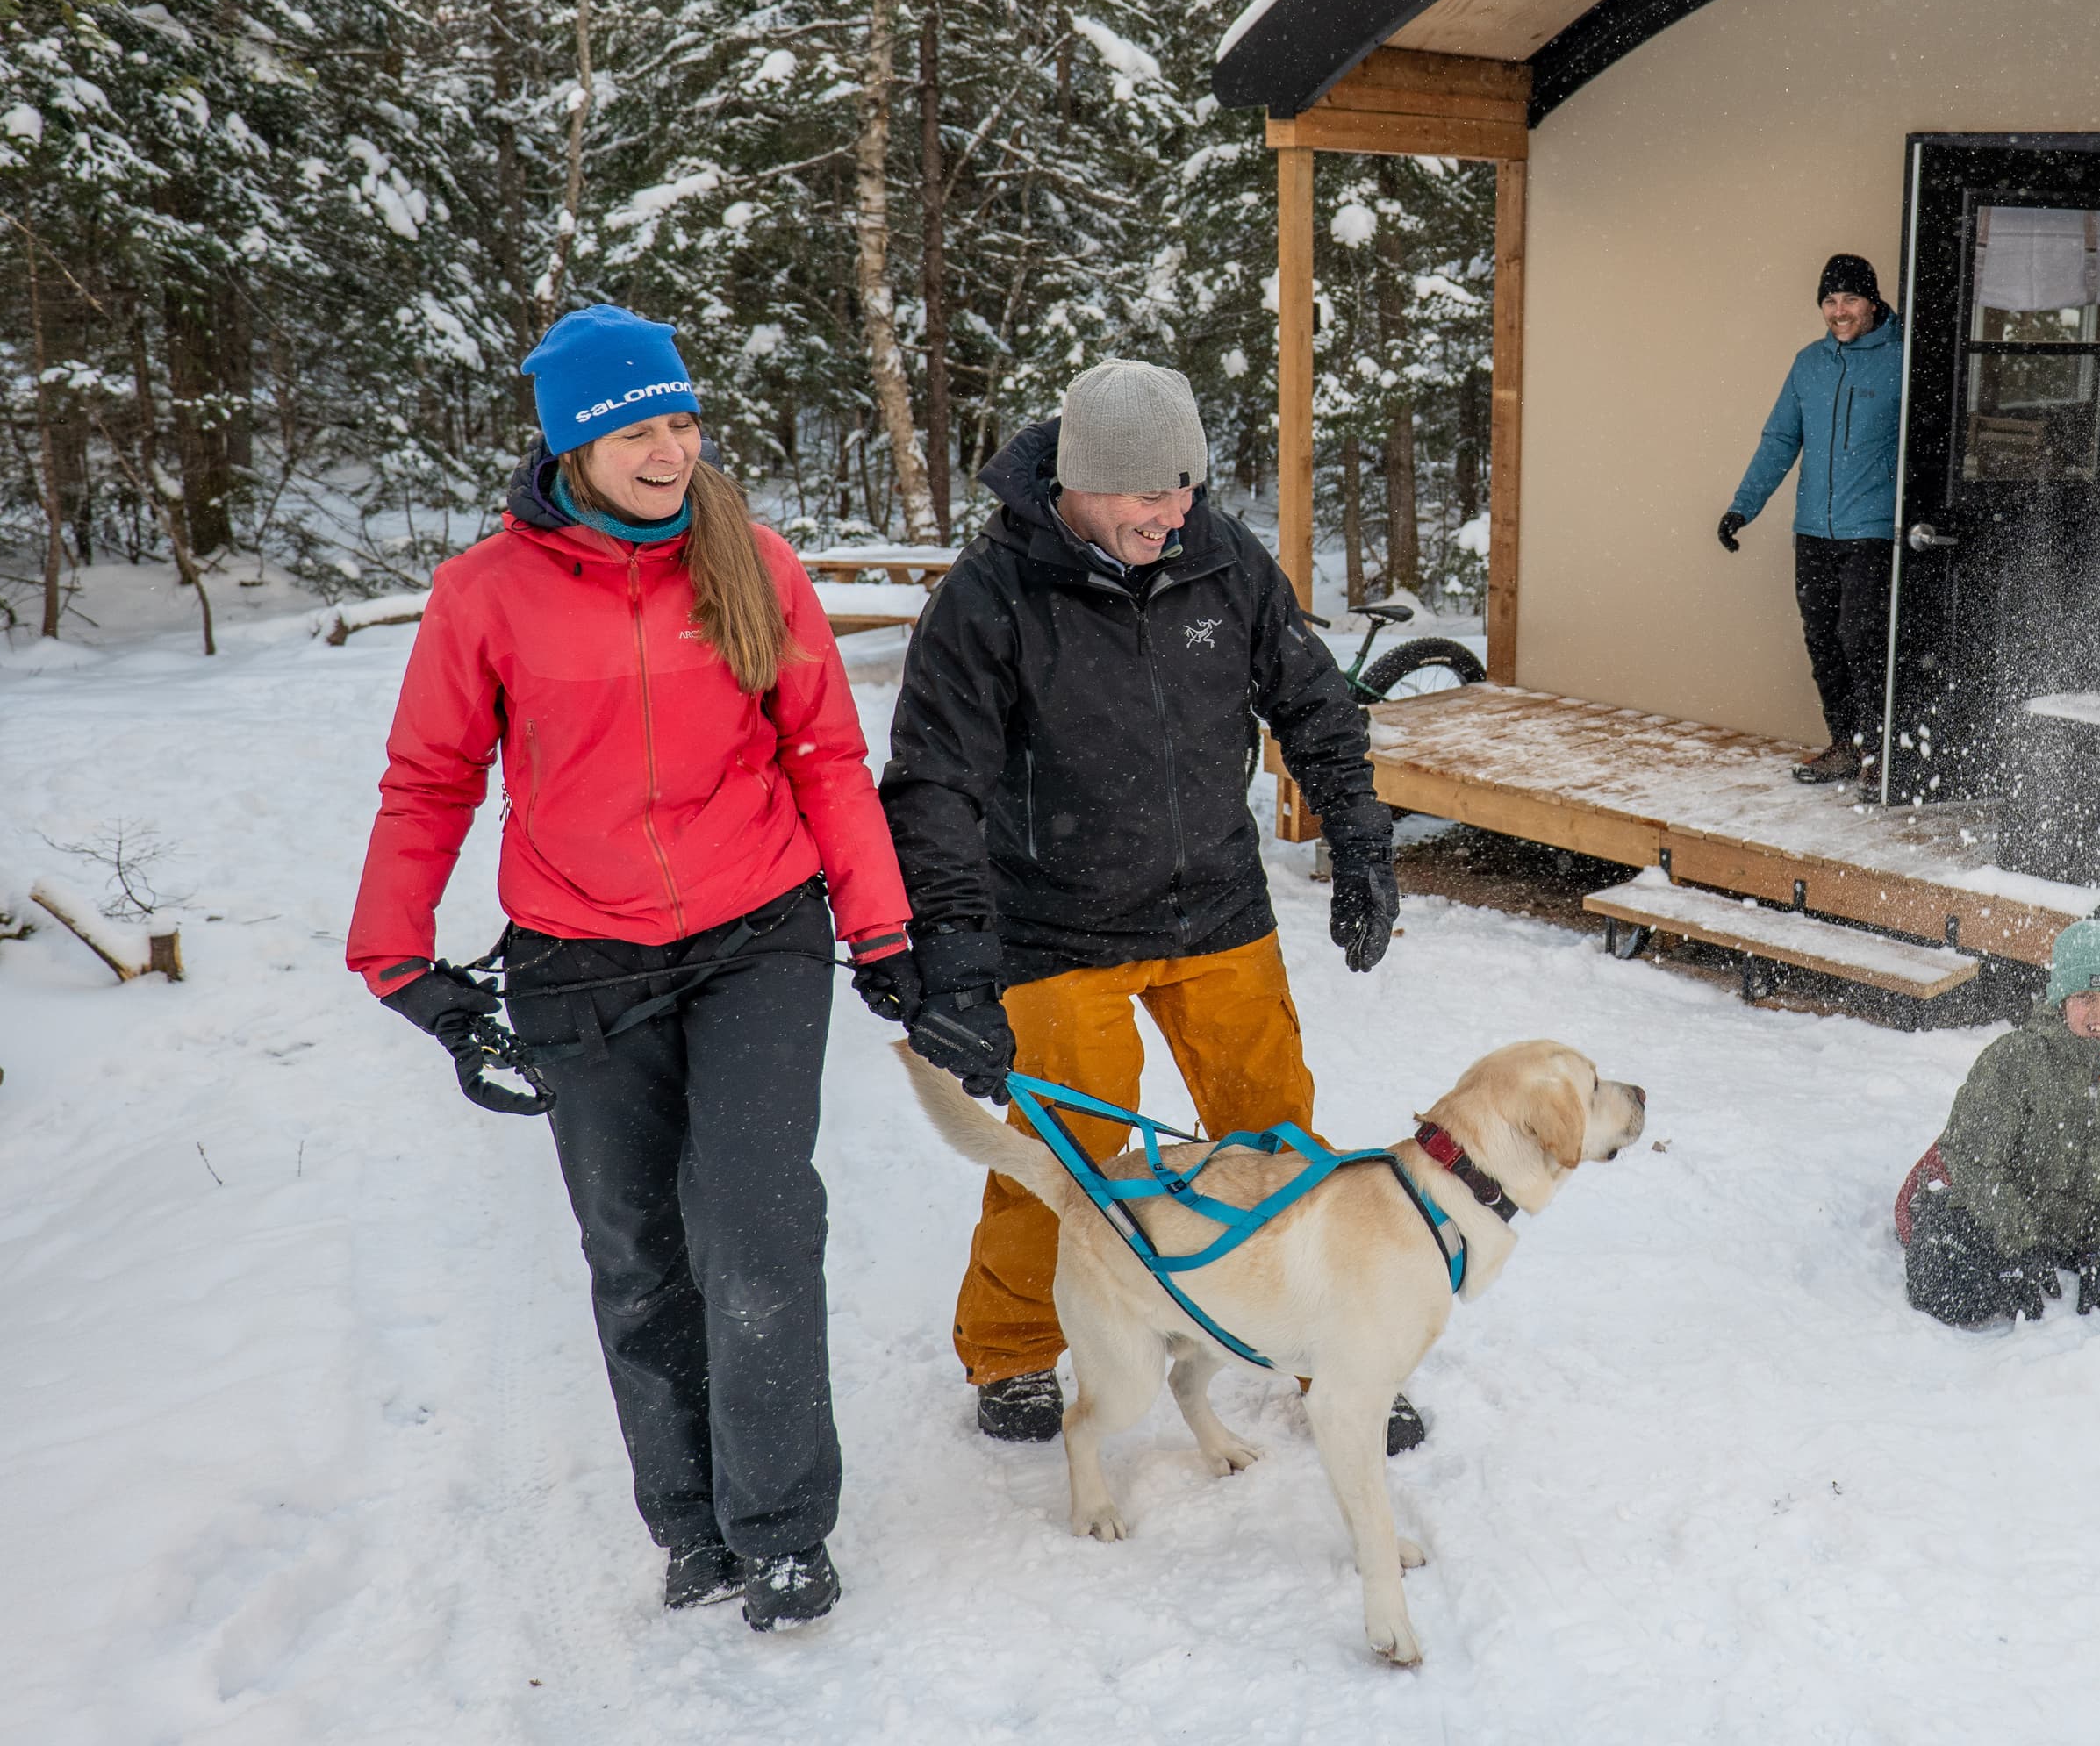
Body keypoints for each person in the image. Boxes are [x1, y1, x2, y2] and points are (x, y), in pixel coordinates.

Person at [348, 305, 911, 1631]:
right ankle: (688, 1521)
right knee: (637, 1247)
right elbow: (430, 777)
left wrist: (877, 925)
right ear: (573, 444)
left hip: (758, 931)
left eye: (682, 422)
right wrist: (398, 961)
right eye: (638, 430)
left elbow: (826, 753)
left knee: (759, 1217)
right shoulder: (484, 593)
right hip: (578, 956)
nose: (670, 451)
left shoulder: (753, 562)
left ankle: (781, 1527)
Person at [874, 360, 1416, 1451]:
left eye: (1185, 491)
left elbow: (1311, 699)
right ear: (1077, 480)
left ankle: (1317, 1339)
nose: (1171, 517)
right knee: (1068, 1159)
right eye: (1144, 496)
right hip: (1056, 924)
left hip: (1217, 905)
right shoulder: (990, 598)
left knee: (1277, 1140)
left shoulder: (1220, 556)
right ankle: (1018, 1346)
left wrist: (1359, 831)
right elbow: (936, 786)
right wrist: (957, 960)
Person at [1895, 920, 2100, 1327]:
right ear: (2061, 1002)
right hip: (2002, 1221)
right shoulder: (2016, 1061)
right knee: (1947, 1293)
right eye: (2085, 997)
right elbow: (1973, 1160)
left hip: (2085, 1235)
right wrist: (2017, 1240)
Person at [1718, 252, 1902, 784]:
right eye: (1829, 300)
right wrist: (1743, 507)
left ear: (1872, 301)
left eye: (1849, 299)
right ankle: (1846, 745)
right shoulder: (1809, 364)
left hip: (1871, 529)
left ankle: (1882, 755)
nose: (1839, 311)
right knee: (1822, 638)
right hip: (1813, 531)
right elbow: (1781, 438)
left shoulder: (1900, 359)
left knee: (1861, 639)